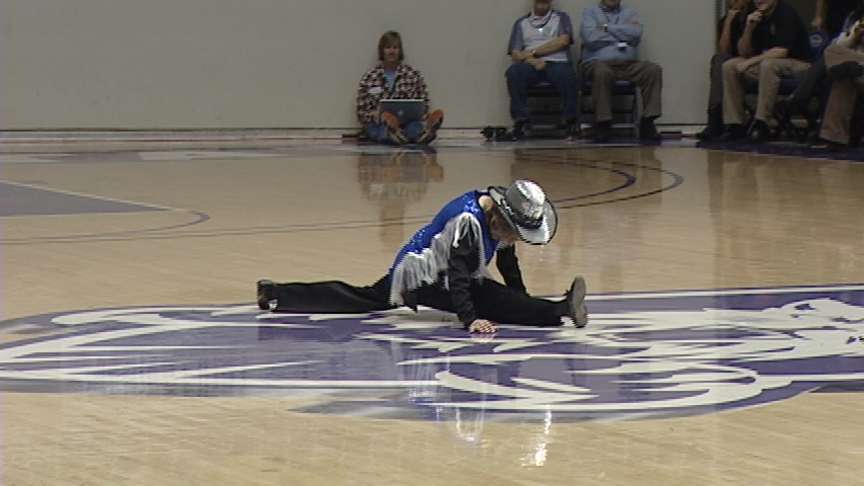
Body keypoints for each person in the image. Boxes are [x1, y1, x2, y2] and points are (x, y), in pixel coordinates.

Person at [256, 180, 589, 335]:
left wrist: (521, 296)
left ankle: (276, 292)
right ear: (502, 219)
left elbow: (507, 261)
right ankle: (559, 309)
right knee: (491, 299)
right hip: (422, 277)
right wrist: (470, 318)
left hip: (430, 270)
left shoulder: (497, 220)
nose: (515, 239)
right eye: (515, 232)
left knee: (362, 298)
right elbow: (459, 276)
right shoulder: (469, 223)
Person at [721, 0, 811, 143]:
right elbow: (743, 52)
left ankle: (762, 123)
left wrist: (748, 63)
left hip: (800, 65)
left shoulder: (785, 13)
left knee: (768, 65)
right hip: (768, 65)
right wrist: (748, 28)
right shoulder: (756, 16)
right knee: (729, 66)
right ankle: (735, 124)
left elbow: (781, 51)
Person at [580, 0, 663, 143]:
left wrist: (606, 28)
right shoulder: (590, 12)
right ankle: (603, 123)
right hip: (598, 63)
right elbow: (590, 38)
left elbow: (636, 34)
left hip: (628, 64)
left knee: (653, 70)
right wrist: (623, 32)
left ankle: (648, 121)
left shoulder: (629, 13)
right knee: (601, 72)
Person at [506, 0, 581, 140]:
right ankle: (521, 121)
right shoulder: (521, 23)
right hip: (531, 64)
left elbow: (563, 41)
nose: (542, 6)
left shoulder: (561, 18)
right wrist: (532, 60)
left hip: (557, 62)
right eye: (539, 2)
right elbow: (515, 53)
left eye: (545, 2)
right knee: (514, 73)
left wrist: (533, 53)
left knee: (568, 76)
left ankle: (571, 121)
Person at [356, 31, 444, 146]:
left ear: (400, 50)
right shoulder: (370, 77)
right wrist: (375, 114)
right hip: (380, 123)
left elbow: (424, 103)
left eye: (395, 47)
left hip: (408, 122)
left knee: (415, 128)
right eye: (388, 47)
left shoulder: (413, 74)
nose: (391, 51)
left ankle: (425, 132)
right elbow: (361, 111)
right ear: (382, 51)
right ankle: (392, 134)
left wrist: (423, 114)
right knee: (376, 130)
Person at [698, 0, 754, 141]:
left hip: (753, 63)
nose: (732, 1)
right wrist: (728, 22)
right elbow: (724, 49)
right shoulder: (726, 20)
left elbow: (748, 52)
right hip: (732, 68)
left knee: (726, 65)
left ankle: (719, 122)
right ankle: (715, 118)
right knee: (719, 59)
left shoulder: (756, 15)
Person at [817, 10, 864, 148]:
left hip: (855, 66)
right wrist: (855, 35)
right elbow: (840, 44)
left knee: (841, 68)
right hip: (857, 73)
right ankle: (835, 139)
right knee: (842, 75)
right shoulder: (857, 17)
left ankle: (855, 66)